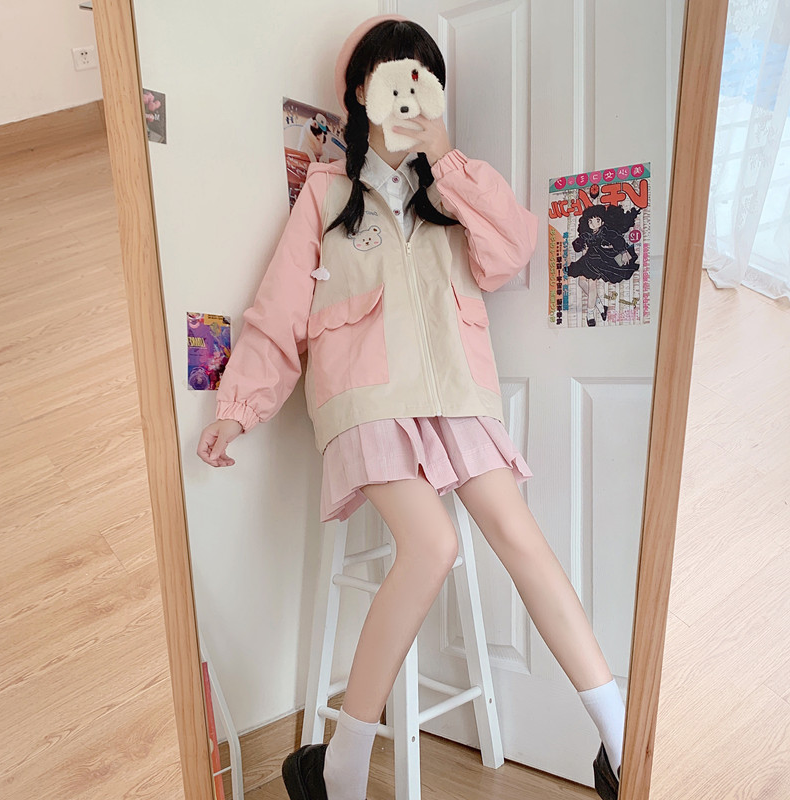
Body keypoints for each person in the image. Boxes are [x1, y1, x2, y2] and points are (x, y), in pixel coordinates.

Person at [196, 14, 624, 800]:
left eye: (422, 80)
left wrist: (447, 161)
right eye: (391, 77)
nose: (407, 93)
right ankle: (343, 768)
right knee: (432, 546)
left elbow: (512, 253)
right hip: (367, 399)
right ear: (359, 93)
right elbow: (280, 308)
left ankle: (621, 737)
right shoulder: (326, 194)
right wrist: (239, 407)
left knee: (520, 536)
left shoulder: (453, 189)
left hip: (458, 393)